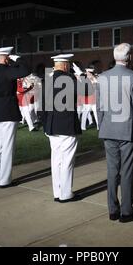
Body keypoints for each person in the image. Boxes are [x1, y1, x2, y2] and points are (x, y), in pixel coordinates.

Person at [96, 43, 133, 223]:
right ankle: (126, 212)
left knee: (112, 171)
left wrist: (101, 126)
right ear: (129, 57)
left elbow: (99, 107)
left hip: (108, 129)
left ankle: (113, 210)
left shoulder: (102, 77)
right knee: (127, 172)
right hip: (127, 130)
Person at [40, 54, 82, 202]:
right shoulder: (69, 78)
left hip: (52, 125)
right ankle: (66, 194)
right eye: (69, 64)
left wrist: (45, 125)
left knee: (56, 160)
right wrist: (81, 74)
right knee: (67, 161)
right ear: (65, 65)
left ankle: (57, 192)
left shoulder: (47, 79)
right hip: (67, 125)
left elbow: (42, 107)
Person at [0, 47, 29, 188]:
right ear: (6, 57)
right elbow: (26, 70)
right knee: (7, 147)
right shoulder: (7, 71)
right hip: (9, 111)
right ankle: (5, 180)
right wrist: (18, 59)